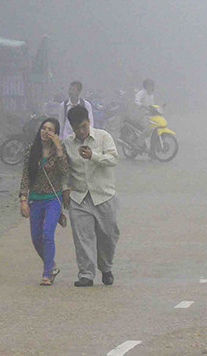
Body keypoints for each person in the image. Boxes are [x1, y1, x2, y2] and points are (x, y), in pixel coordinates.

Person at [63, 104, 120, 287]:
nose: (81, 131)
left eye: (84, 126)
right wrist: (65, 189)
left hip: (104, 195)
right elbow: (64, 170)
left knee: (109, 235)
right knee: (82, 237)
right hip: (79, 197)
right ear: (71, 127)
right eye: (77, 128)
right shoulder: (68, 144)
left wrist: (93, 156)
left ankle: (106, 267)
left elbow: (113, 159)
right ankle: (86, 274)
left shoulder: (103, 137)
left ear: (89, 121)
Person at [18, 117, 70, 286]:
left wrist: (59, 149)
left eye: (50, 129)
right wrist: (23, 199)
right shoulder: (31, 149)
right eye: (43, 128)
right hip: (35, 199)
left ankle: (46, 273)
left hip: (53, 198)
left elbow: (65, 172)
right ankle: (52, 265)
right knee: (36, 237)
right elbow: (26, 176)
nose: (45, 132)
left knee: (47, 233)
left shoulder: (59, 151)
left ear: (55, 133)